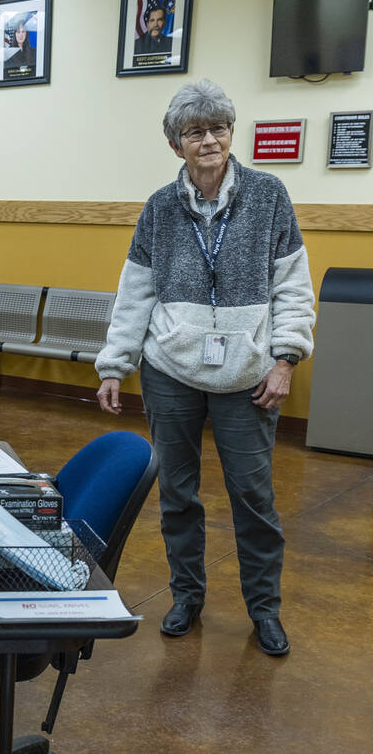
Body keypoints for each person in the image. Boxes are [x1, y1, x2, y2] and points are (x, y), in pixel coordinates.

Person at [95, 79, 315, 657]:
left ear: (231, 134)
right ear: (177, 146)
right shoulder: (160, 208)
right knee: (178, 494)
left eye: (218, 128)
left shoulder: (269, 195)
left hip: (248, 375)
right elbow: (135, 293)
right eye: (196, 132)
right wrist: (115, 365)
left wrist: (286, 359)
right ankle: (186, 597)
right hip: (170, 371)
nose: (209, 140)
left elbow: (293, 287)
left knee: (253, 497)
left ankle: (264, 610)